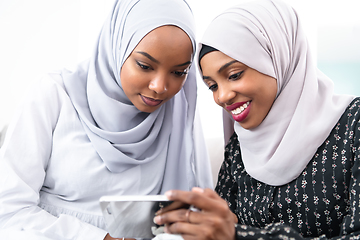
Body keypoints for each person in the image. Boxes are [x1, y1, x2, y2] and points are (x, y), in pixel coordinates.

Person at [0, 0, 213, 239]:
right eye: (144, 65)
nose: (160, 87)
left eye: (178, 72)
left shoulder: (179, 112)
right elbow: (8, 210)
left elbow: (189, 220)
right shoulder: (54, 95)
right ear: (117, 45)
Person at [153, 0, 360, 239]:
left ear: (277, 57)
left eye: (234, 75)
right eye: (212, 86)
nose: (222, 97)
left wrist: (238, 235)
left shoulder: (353, 126)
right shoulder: (238, 150)